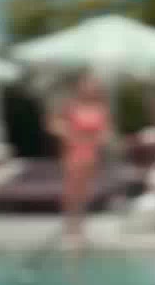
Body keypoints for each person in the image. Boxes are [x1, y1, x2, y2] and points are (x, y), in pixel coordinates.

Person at [48, 71, 112, 244]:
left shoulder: (100, 109)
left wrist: (101, 139)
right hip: (74, 152)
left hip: (91, 154)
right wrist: (68, 133)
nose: (89, 89)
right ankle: (70, 227)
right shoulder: (72, 106)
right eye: (86, 85)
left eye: (92, 85)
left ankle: (80, 227)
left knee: (84, 192)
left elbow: (105, 132)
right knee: (71, 191)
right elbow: (53, 124)